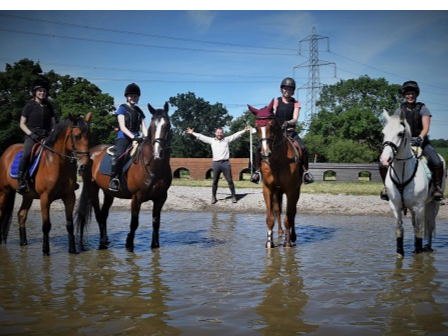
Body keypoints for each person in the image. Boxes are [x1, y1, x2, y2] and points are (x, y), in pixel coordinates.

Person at [379, 80, 444, 201]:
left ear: (416, 94)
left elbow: (426, 128)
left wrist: (420, 138)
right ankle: (386, 188)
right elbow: (394, 128)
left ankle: (438, 188)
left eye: (412, 93)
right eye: (408, 93)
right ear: (404, 95)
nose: (410, 96)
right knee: (382, 163)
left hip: (421, 142)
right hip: (403, 143)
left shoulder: (423, 109)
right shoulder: (399, 111)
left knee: (437, 162)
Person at [250, 77, 314, 185]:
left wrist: (288, 122)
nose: (287, 91)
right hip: (276, 132)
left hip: (289, 131)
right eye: (285, 89)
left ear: (293, 91)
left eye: (290, 89)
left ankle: (305, 172)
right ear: (281, 89)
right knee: (258, 148)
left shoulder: (296, 103)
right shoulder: (276, 102)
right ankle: (257, 171)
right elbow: (273, 113)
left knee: (303, 148)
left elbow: (295, 118)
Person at [186, 125, 251, 204]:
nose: (219, 134)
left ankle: (233, 196)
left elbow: (235, 135)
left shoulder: (226, 140)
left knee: (230, 180)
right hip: (216, 163)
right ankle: (213, 197)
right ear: (215, 133)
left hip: (225, 163)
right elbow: (201, 137)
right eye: (218, 133)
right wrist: (192, 133)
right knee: (215, 181)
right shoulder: (212, 140)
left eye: (221, 133)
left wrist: (244, 130)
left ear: (222, 133)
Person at [16, 78, 56, 194]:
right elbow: (22, 124)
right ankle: (20, 179)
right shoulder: (29, 105)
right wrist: (31, 134)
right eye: (39, 91)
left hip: (47, 135)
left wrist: (52, 134)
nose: (42, 93)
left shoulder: (49, 106)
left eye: (44, 91)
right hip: (32, 135)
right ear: (35, 92)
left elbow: (53, 124)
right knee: (27, 154)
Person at [109, 83, 147, 191]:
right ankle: (114, 178)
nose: (133, 98)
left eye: (135, 96)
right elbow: (122, 127)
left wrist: (147, 137)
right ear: (127, 97)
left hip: (137, 137)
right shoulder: (122, 108)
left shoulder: (139, 111)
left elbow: (144, 127)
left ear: (138, 97)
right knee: (120, 155)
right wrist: (133, 137)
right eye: (131, 96)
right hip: (124, 137)